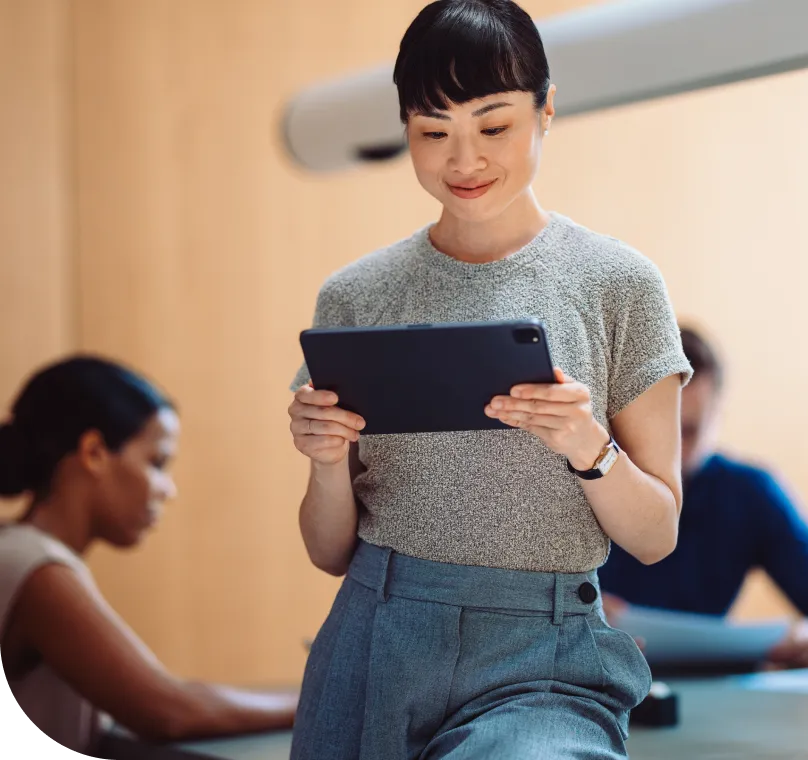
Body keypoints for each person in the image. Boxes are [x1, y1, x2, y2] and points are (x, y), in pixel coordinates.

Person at [286, 1, 692, 758]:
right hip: (373, 637)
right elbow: (328, 550)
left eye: (494, 126)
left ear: (546, 110)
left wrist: (586, 444)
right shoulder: (355, 296)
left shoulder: (619, 284)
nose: (463, 161)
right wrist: (325, 460)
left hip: (544, 654)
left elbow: (657, 536)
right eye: (433, 132)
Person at [0, 356, 297, 756]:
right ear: (94, 452)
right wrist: (318, 700)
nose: (168, 490)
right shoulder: (35, 567)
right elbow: (167, 710)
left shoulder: (25, 553)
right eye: (157, 463)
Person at [599, 326, 808, 670]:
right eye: (656, 427)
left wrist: (798, 640)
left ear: (718, 418)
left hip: (715, 688)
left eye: (689, 431)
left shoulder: (750, 493)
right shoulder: (585, 479)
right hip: (600, 682)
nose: (671, 448)